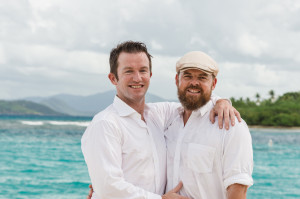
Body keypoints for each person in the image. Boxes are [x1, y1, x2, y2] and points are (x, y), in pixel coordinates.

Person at [81, 41, 240, 199]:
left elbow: (194, 97)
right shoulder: (106, 124)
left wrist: (222, 102)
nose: (137, 78)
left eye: (143, 70)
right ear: (113, 78)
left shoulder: (160, 114)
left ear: (150, 75)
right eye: (128, 71)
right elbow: (108, 187)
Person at [165, 51, 253, 199]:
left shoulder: (231, 126)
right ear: (177, 80)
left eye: (202, 77)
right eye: (187, 76)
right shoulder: (169, 120)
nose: (194, 82)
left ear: (214, 83)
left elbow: (238, 191)